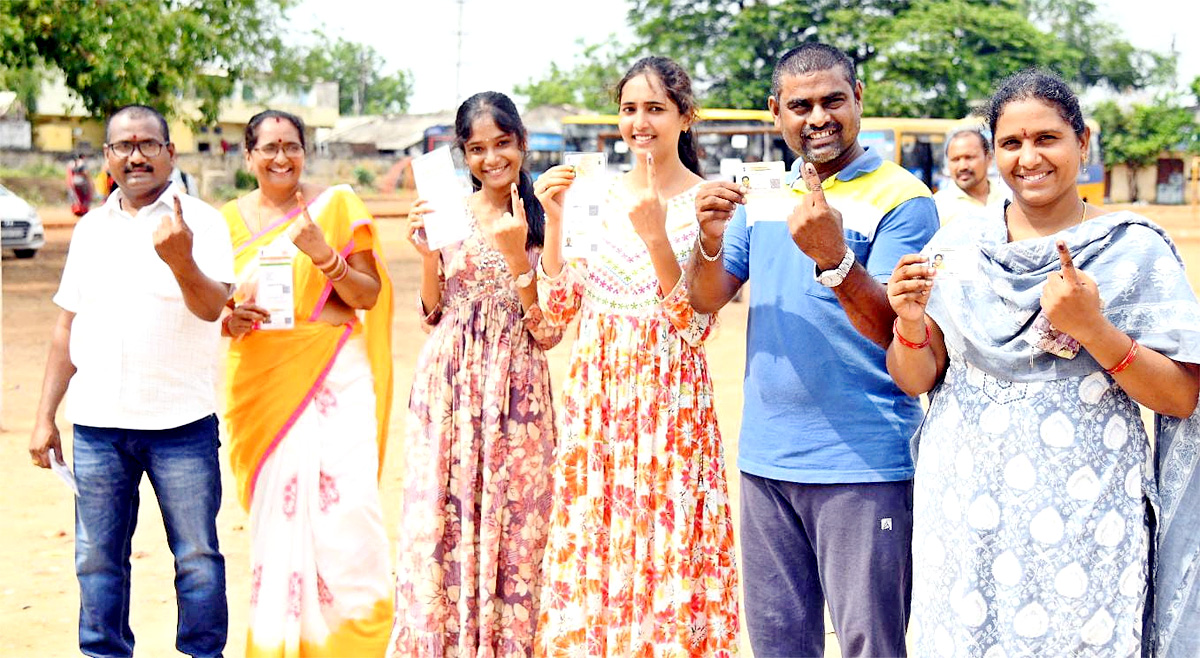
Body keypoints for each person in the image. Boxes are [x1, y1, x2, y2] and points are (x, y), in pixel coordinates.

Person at [885, 69, 1200, 656]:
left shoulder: (1132, 251)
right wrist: (906, 323)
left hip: (1085, 518)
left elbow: (1181, 397)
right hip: (962, 509)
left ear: (1082, 143)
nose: (1028, 157)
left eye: (1047, 139)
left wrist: (1094, 330)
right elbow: (915, 379)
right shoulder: (957, 250)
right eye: (1011, 143)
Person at [688, 43, 940, 657]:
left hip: (864, 462)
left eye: (833, 100)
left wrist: (834, 257)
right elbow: (706, 297)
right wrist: (709, 238)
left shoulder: (904, 200)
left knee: (870, 644)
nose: (818, 117)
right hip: (766, 459)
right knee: (779, 644)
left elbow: (899, 331)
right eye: (800, 105)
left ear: (859, 99)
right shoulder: (764, 194)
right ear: (776, 112)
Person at [531, 56, 739, 656]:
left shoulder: (710, 203)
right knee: (599, 551)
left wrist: (655, 236)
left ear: (685, 117)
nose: (639, 122)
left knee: (668, 551)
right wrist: (555, 222)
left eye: (655, 108)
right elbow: (558, 311)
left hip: (672, 413)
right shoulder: (590, 196)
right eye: (629, 109)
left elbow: (696, 326)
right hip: (600, 411)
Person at [28, 104, 234, 658]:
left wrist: (181, 260)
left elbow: (214, 308)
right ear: (108, 158)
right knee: (97, 560)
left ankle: (202, 653)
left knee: (197, 558)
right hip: (97, 427)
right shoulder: (91, 229)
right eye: (123, 145)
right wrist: (45, 415)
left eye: (148, 144)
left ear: (170, 152)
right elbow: (67, 326)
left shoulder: (203, 222)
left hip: (181, 425)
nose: (136, 155)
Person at [389, 91, 562, 656]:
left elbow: (549, 330)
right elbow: (431, 313)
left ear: (522, 143)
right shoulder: (448, 211)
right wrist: (423, 255)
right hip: (449, 387)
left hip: (518, 390)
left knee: (518, 522)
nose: (491, 159)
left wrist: (519, 258)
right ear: (463, 154)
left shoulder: (547, 214)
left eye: (502, 144)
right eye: (477, 149)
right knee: (441, 518)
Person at [220, 109, 394, 657]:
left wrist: (324, 255)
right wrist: (229, 319)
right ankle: (279, 642)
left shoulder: (337, 206)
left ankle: (356, 641)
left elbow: (367, 296)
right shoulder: (223, 221)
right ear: (247, 156)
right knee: (279, 519)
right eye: (267, 148)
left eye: (291, 146)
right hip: (263, 386)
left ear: (304, 151)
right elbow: (211, 304)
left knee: (351, 510)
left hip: (334, 376)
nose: (280, 158)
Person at [932, 125, 1008, 225]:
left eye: (969, 158)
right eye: (955, 159)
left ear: (989, 159)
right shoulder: (937, 207)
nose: (963, 166)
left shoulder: (1008, 198)